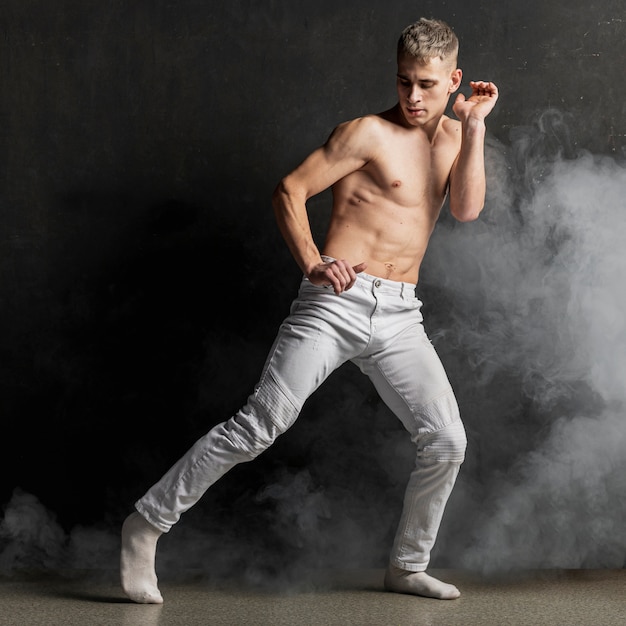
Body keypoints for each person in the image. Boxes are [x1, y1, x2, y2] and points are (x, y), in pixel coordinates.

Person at [120, 17, 498, 603]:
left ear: (455, 80)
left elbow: (468, 210)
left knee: (447, 440)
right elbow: (289, 189)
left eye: (426, 84)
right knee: (260, 426)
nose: (414, 97)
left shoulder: (453, 137)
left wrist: (474, 127)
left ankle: (406, 565)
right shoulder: (365, 133)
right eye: (404, 83)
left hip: (400, 315)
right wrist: (312, 262)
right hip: (335, 305)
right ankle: (145, 526)